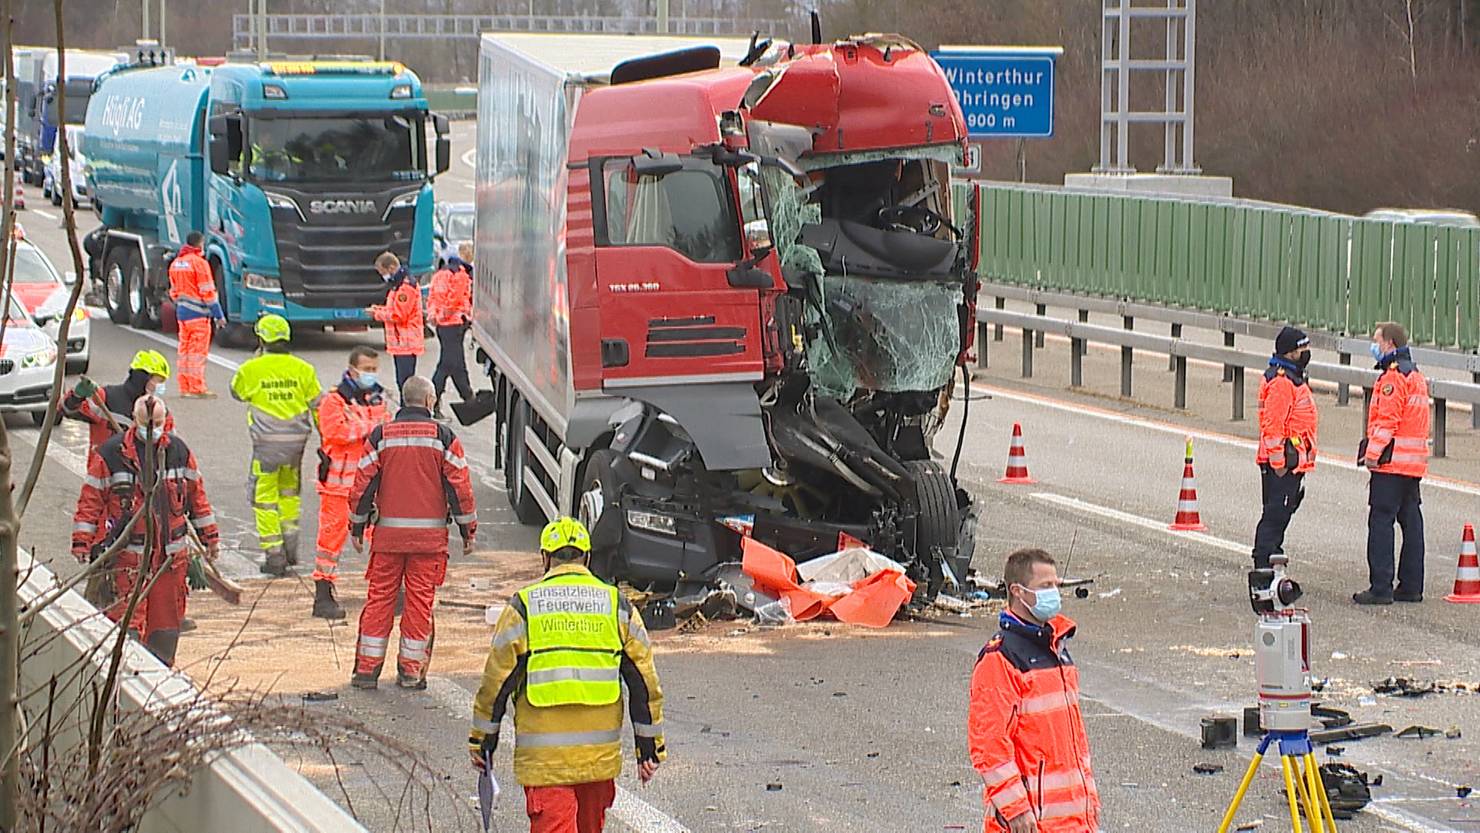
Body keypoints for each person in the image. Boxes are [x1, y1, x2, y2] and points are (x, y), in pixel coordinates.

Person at [470, 517, 666, 833]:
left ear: (545, 558)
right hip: (597, 761)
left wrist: (483, 740)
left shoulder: (524, 606)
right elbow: (644, 680)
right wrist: (649, 746)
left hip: (545, 763)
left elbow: (496, 682)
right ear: (586, 558)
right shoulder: (618, 605)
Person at [70, 396, 220, 667]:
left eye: (158, 423)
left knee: (164, 632)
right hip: (128, 563)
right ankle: (125, 681)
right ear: (134, 420)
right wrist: (82, 543)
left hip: (170, 564)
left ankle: (159, 681)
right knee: (127, 630)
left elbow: (196, 497)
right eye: (147, 424)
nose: (152, 429)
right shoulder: (112, 454)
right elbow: (91, 500)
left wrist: (210, 537)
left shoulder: (178, 451)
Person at [350, 375, 476, 690]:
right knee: (420, 602)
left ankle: (366, 671)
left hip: (388, 539)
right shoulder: (444, 437)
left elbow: (362, 484)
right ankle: (410, 672)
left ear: (404, 401)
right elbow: (459, 487)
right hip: (429, 542)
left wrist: (357, 525)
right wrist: (467, 530)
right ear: (430, 401)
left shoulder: (381, 436)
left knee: (379, 599)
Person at [969, 548, 1099, 833]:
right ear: (1018, 591)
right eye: (1045, 586)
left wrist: (1089, 806)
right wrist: (1015, 809)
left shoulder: (1057, 650)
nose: (1055, 593)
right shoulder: (1001, 658)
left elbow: (1072, 744)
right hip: (1030, 823)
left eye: (1056, 585)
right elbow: (989, 745)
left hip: (1073, 821)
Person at [230, 314, 323, 577]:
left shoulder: (251, 368)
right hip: (296, 446)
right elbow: (318, 407)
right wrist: (326, 442)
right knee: (289, 495)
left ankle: (274, 556)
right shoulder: (304, 369)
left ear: (261, 339)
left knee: (264, 499)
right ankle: (291, 548)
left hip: (266, 447)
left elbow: (237, 392)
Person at [1355, 321, 1431, 605]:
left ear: (1389, 344)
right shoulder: (1416, 375)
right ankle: (1411, 586)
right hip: (1412, 465)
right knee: (1411, 522)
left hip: (1392, 463)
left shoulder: (1393, 377)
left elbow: (1387, 421)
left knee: (1381, 521)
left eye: (1377, 341)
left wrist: (1371, 455)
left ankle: (1381, 587)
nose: (1374, 346)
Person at [312, 345, 390, 620]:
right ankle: (323, 594)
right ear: (352, 369)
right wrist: (369, 429)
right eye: (366, 369)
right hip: (338, 486)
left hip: (371, 485)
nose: (371, 374)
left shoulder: (377, 398)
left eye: (374, 369)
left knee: (380, 538)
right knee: (330, 543)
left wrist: (367, 430)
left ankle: (385, 593)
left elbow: (387, 430)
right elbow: (335, 432)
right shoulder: (334, 400)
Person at [1251, 326, 1319, 570]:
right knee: (1275, 514)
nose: (1306, 353)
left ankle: (1271, 557)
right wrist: (1279, 464)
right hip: (1282, 464)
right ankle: (1263, 564)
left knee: (1282, 512)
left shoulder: (1293, 378)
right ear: (1290, 352)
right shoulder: (1282, 382)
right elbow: (1273, 426)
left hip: (1292, 461)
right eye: (1302, 348)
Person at [63, 350, 172, 452]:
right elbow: (67, 409)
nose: (161, 386)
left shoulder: (159, 411)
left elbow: (171, 445)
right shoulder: (106, 398)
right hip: (105, 468)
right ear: (142, 377)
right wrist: (76, 396)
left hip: (143, 470)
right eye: (158, 380)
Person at [167, 230, 225, 398]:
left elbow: (174, 292)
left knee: (184, 351)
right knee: (197, 353)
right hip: (198, 315)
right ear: (199, 244)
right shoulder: (200, 264)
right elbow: (208, 292)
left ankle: (184, 386)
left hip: (182, 314)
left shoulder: (176, 263)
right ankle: (197, 387)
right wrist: (218, 315)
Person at [428, 241, 475, 418]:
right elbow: (456, 300)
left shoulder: (442, 273)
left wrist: (436, 316)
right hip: (454, 323)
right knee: (447, 364)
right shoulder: (461, 275)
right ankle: (432, 402)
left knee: (455, 362)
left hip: (442, 325)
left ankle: (468, 397)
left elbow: (433, 297)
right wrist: (449, 314)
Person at [368, 251, 424, 397]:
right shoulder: (397, 285)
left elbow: (399, 315)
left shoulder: (405, 287)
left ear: (392, 267)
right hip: (400, 343)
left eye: (383, 272)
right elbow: (393, 309)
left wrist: (376, 314)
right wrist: (378, 309)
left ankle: (407, 410)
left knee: (405, 382)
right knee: (401, 381)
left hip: (406, 342)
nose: (383, 276)